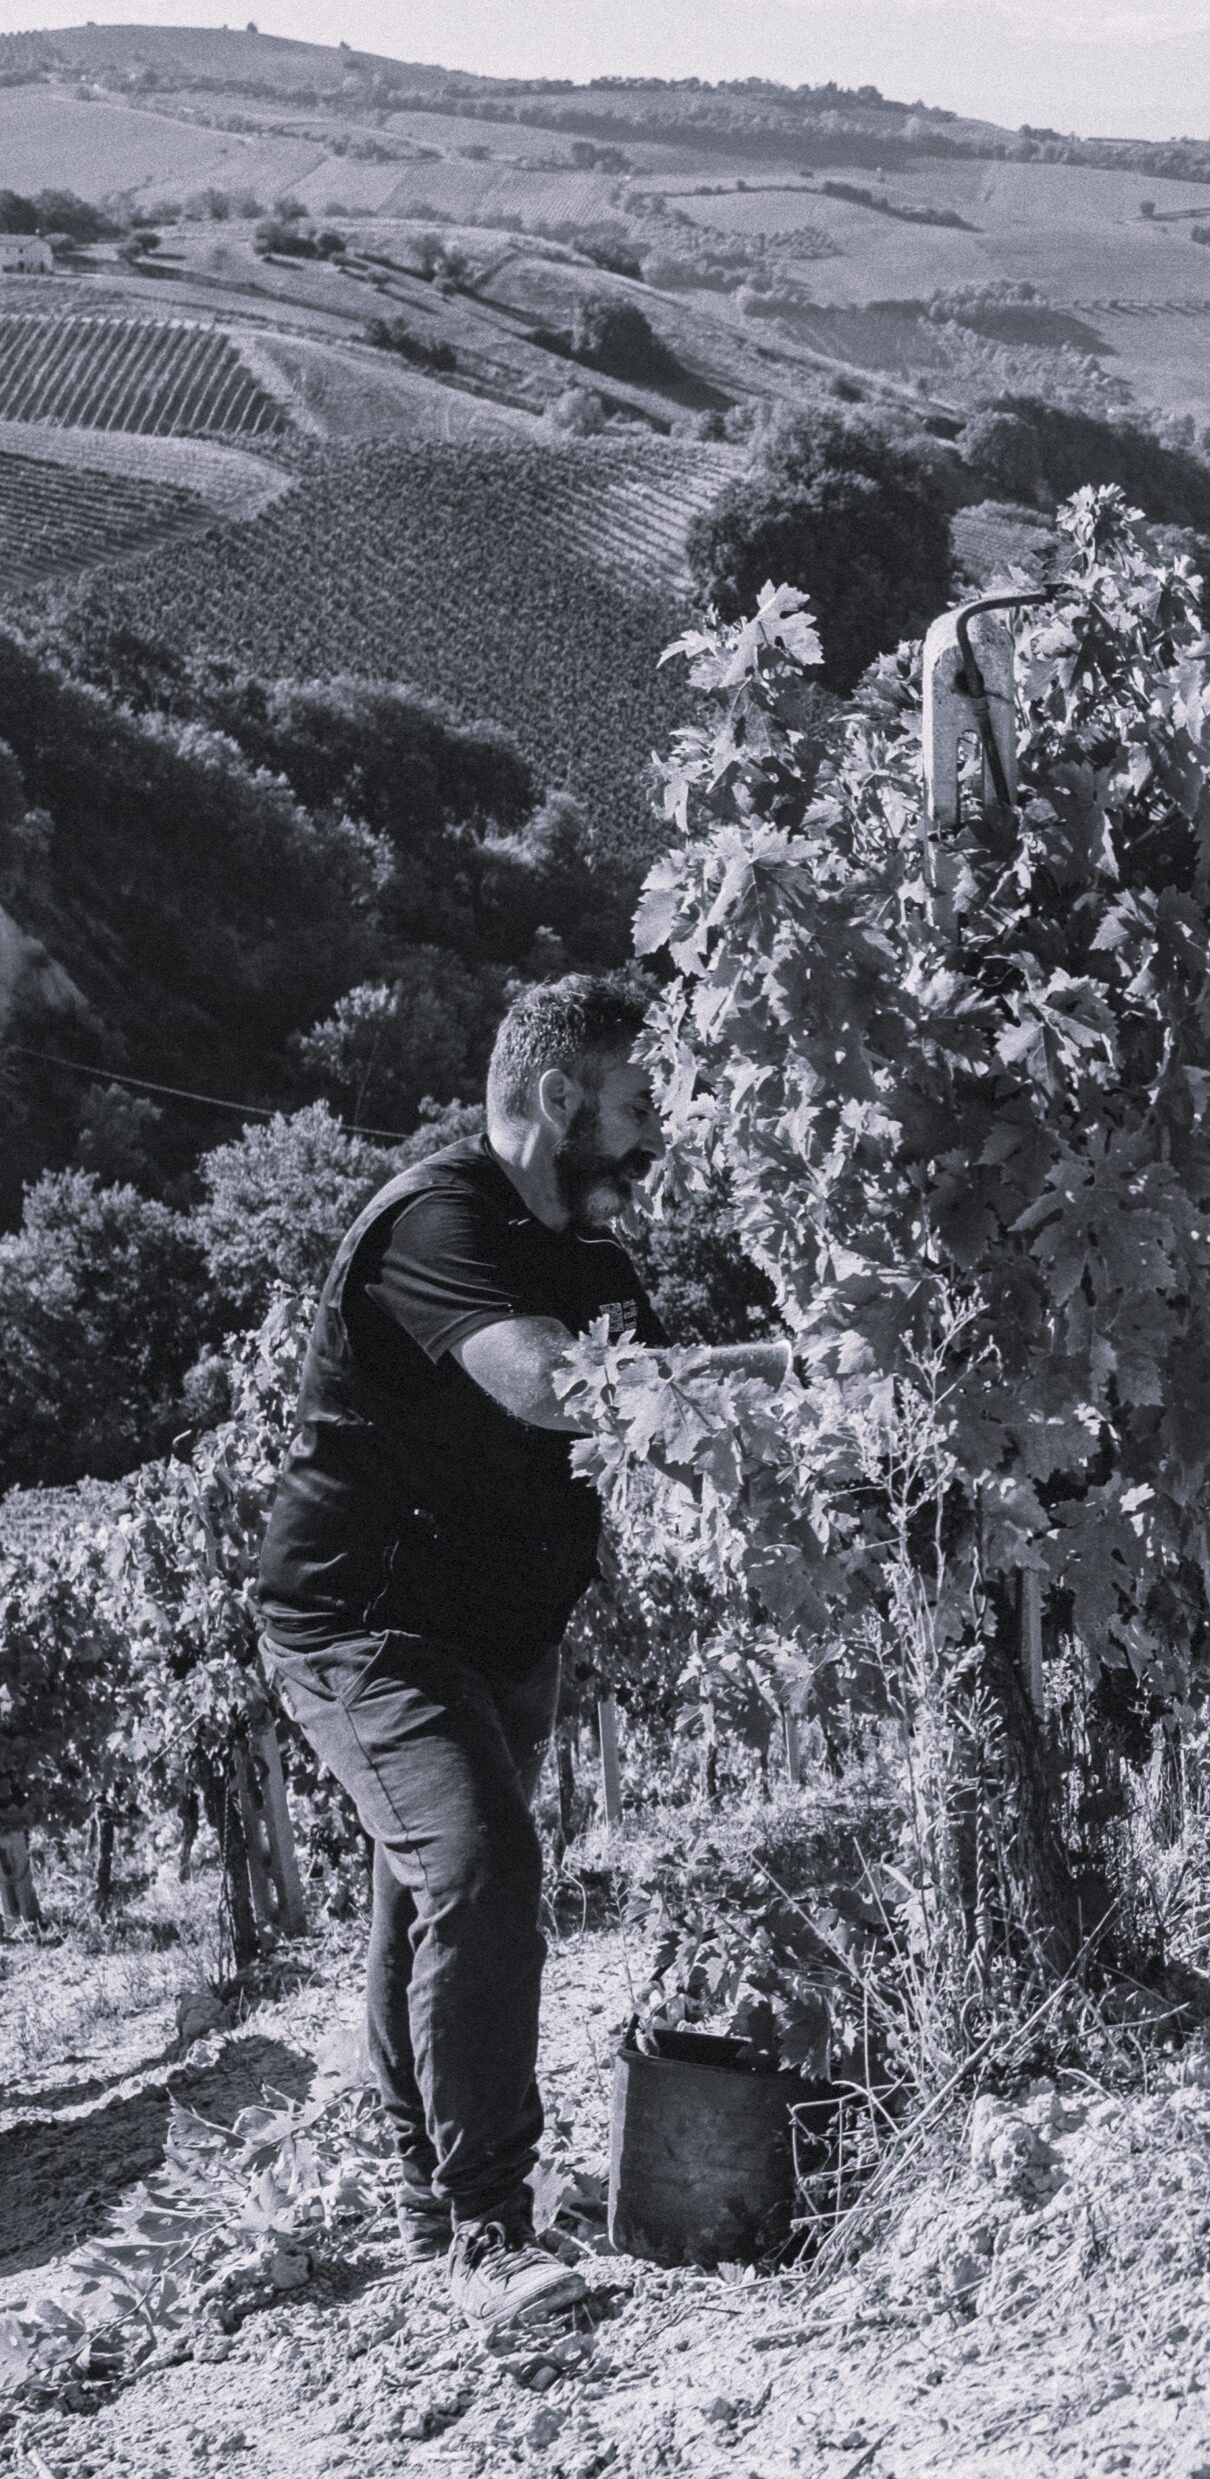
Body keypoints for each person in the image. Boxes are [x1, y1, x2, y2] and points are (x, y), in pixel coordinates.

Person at [256, 973, 667, 2327]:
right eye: (634, 1103)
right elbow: (551, 1384)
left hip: (501, 1627)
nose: (652, 1135)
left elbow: (673, 1422)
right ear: (558, 1100)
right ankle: (493, 2229)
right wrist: (784, 1370)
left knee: (424, 1891)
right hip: (365, 1623)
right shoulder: (437, 1221)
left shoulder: (597, 1259)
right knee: (483, 1867)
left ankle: (425, 2191)